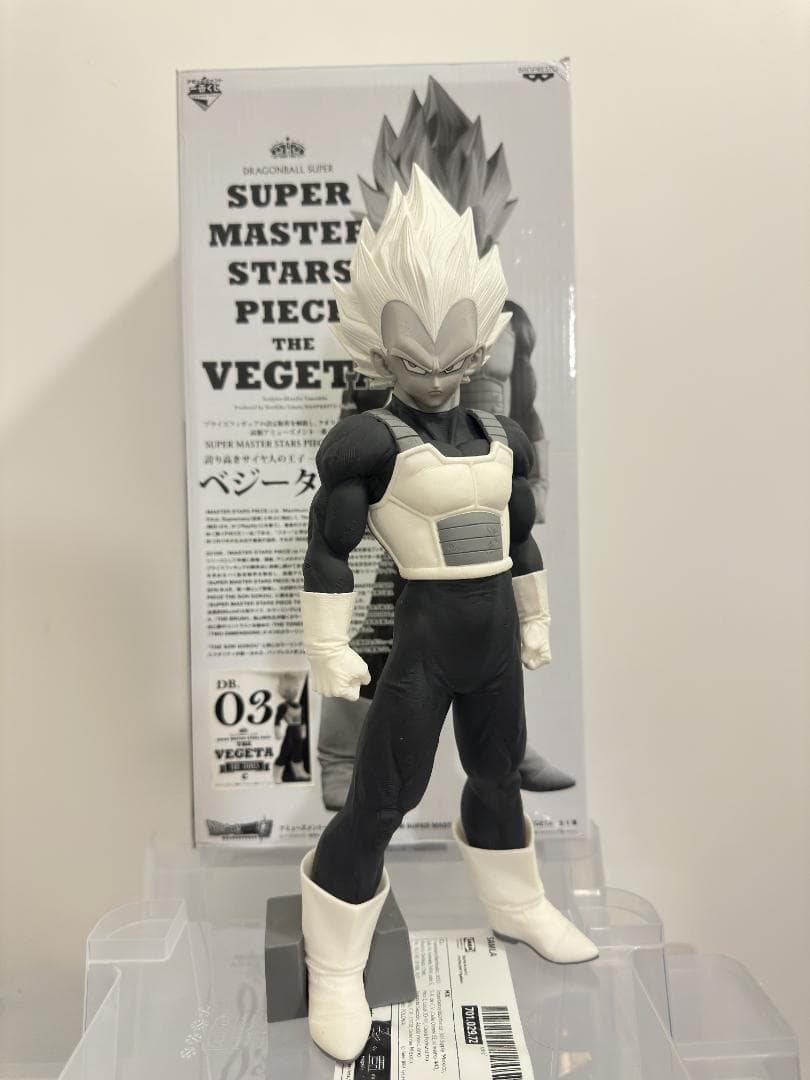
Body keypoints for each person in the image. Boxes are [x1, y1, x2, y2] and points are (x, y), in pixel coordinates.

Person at [299, 167, 597, 1063]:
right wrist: (327, 647)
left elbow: (521, 539)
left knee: (497, 774)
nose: (434, 379)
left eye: (453, 360)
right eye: (412, 362)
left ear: (481, 344)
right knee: (382, 799)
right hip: (424, 642)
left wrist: (537, 620)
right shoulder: (368, 441)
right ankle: (335, 962)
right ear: (377, 350)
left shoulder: (503, 438)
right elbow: (329, 549)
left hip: (494, 637)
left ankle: (517, 903)